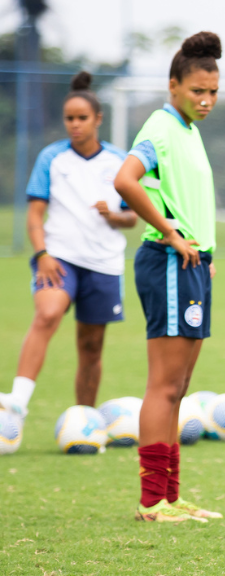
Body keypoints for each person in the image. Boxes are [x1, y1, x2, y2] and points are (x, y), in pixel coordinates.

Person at [114, 31, 224, 523]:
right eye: (197, 90)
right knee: (164, 385)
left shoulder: (188, 130)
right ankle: (151, 502)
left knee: (178, 387)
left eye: (213, 91)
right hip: (168, 263)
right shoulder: (160, 128)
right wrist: (173, 234)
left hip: (193, 266)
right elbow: (124, 180)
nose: (206, 100)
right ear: (174, 85)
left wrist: (205, 247)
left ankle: (171, 496)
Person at [0, 72, 136, 420]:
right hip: (59, 258)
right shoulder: (52, 158)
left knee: (90, 347)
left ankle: (84, 420)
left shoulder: (119, 160)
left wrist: (114, 216)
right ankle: (17, 401)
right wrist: (42, 254)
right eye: (69, 118)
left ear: (98, 119)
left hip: (104, 263)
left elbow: (132, 216)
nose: (74, 125)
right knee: (47, 314)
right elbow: (34, 216)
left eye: (82, 118)